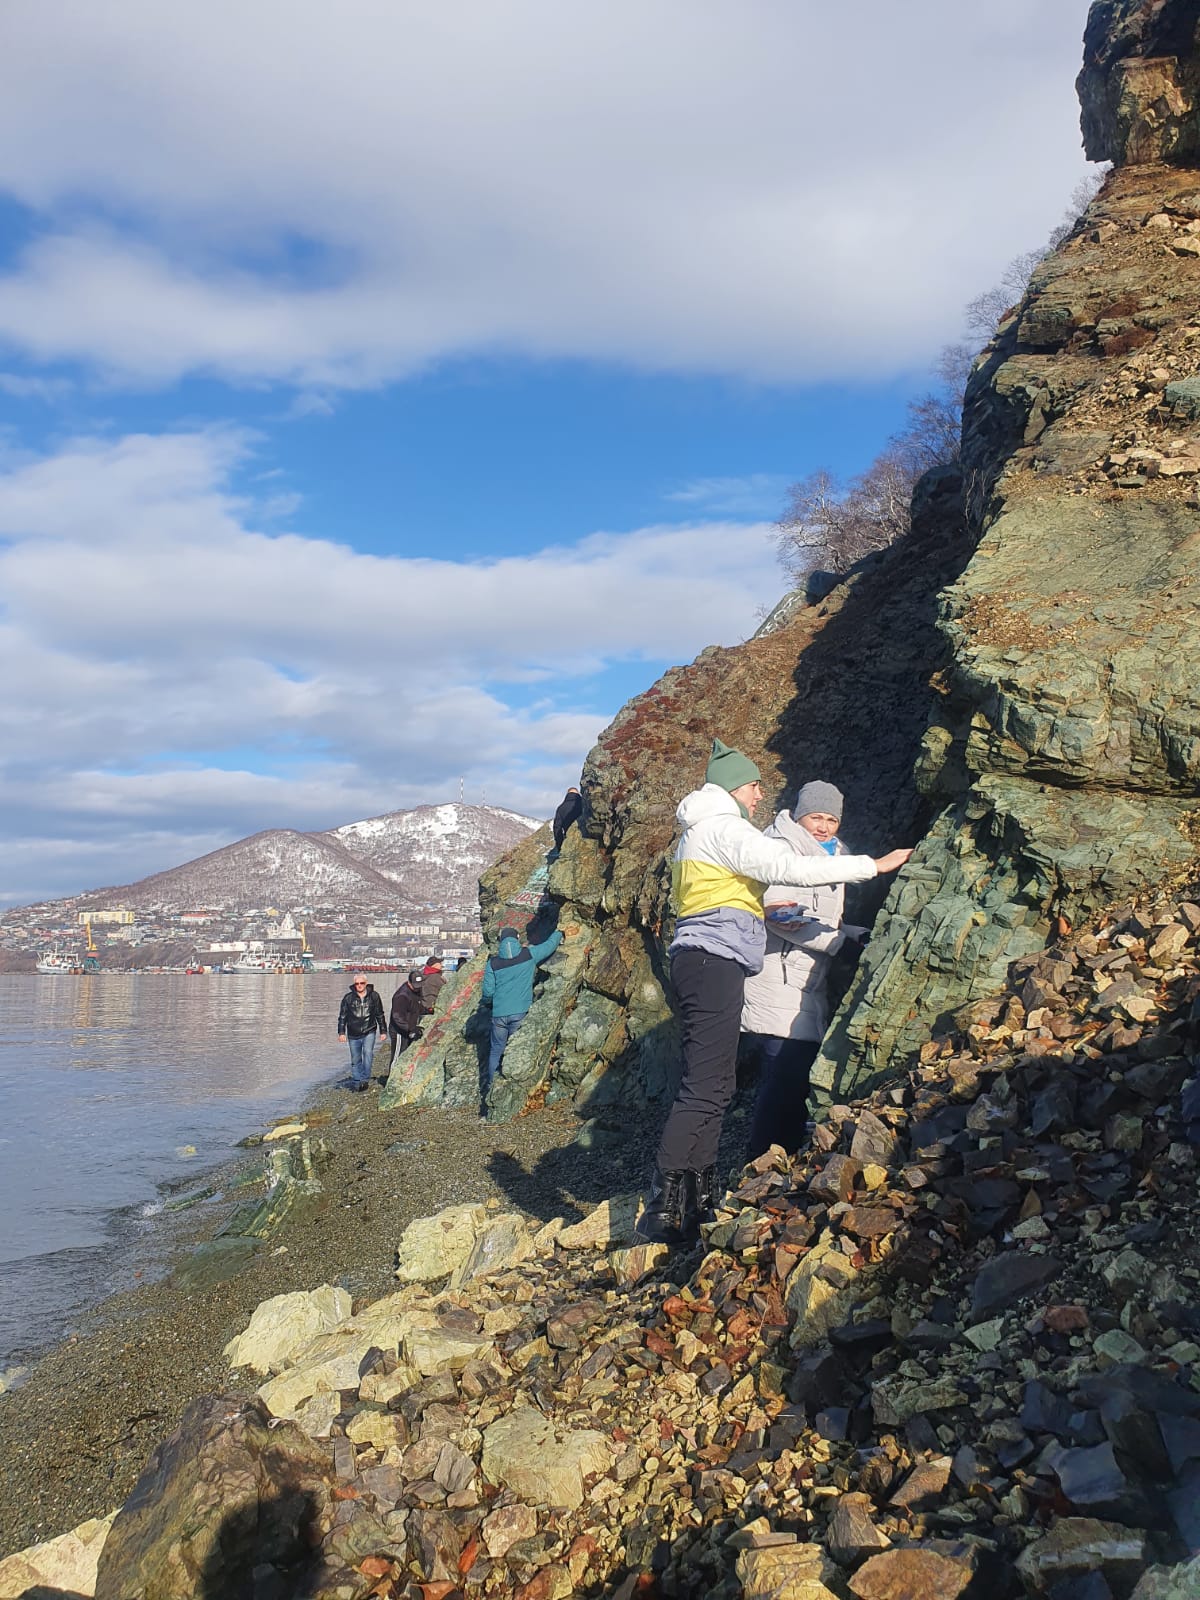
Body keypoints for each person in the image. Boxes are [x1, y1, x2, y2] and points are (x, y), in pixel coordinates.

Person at [636, 740, 912, 1245]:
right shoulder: (723, 827)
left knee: (715, 1086)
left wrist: (845, 932)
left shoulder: (707, 829)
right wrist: (876, 865)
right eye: (754, 784)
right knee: (708, 1087)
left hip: (713, 960)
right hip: (715, 960)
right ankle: (667, 1208)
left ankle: (692, 1203)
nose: (762, 793)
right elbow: (790, 876)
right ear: (733, 787)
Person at [742, 780, 868, 1161]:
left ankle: (782, 1156)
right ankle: (760, 1163)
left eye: (832, 819)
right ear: (799, 816)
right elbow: (779, 913)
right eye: (816, 817)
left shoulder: (833, 856)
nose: (824, 826)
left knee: (793, 1077)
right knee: (783, 1075)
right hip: (776, 979)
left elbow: (819, 917)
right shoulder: (782, 850)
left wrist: (852, 933)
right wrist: (837, 943)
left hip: (804, 982)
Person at [481, 923, 563, 1093]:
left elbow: (488, 991)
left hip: (498, 1015)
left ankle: (491, 1088)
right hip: (519, 1012)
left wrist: (489, 1003)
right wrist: (559, 933)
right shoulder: (528, 954)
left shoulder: (493, 963)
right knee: (515, 1051)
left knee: (496, 1050)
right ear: (517, 938)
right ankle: (512, 1090)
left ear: (501, 941)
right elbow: (548, 947)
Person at [337, 973, 387, 1092]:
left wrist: (383, 1030)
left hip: (369, 1030)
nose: (359, 985)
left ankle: (365, 1079)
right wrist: (341, 1032)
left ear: (366, 983)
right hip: (353, 1033)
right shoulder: (348, 998)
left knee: (368, 1053)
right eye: (357, 983)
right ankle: (357, 1080)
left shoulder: (374, 996)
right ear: (354, 985)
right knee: (355, 1059)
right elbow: (342, 1016)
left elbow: (380, 1014)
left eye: (362, 983)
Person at [389, 970, 426, 1060]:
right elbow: (397, 1017)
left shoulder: (416, 992)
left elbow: (416, 1007)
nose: (418, 988)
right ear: (409, 983)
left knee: (407, 1056)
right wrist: (410, 1028)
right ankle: (393, 1073)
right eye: (415, 986)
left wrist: (427, 1011)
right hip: (399, 1031)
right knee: (398, 1057)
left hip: (409, 1029)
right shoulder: (401, 996)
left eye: (419, 986)